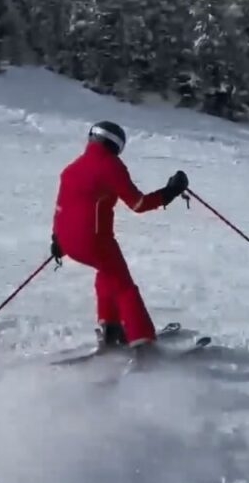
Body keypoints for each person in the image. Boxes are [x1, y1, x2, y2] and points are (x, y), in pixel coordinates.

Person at [51, 120, 188, 359]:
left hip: (68, 241)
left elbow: (61, 208)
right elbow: (138, 204)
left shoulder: (71, 168)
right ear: (116, 145)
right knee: (124, 288)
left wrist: (58, 239)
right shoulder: (110, 166)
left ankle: (112, 330)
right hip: (94, 241)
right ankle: (143, 343)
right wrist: (170, 192)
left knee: (107, 275)